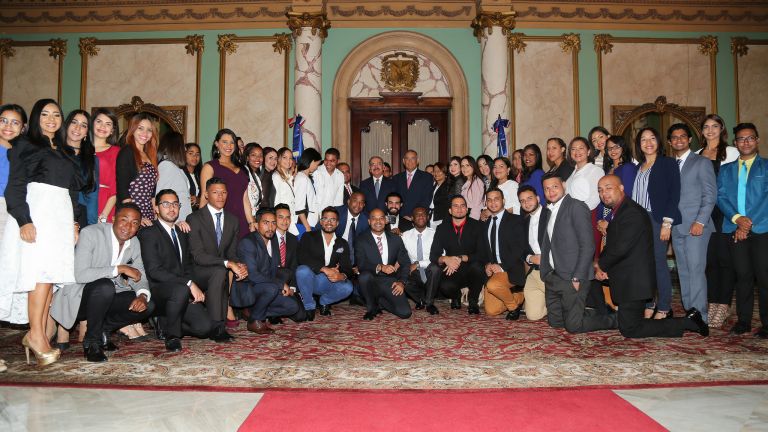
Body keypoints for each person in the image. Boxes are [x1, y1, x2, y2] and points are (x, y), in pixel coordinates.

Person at [0, 99, 83, 366]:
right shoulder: (25, 145)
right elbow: (14, 187)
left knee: (50, 278)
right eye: (45, 114)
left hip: (59, 216)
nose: (51, 119)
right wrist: (24, 220)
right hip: (38, 214)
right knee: (39, 276)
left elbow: (72, 191)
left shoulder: (62, 149)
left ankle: (38, 336)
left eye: (56, 114)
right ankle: (36, 334)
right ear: (35, 118)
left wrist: (73, 223)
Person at [595, 175, 709, 338]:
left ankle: (689, 322)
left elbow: (621, 247)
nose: (604, 193)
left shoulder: (631, 212)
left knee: (630, 329)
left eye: (608, 188)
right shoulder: (621, 210)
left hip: (635, 282)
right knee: (628, 324)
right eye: (600, 190)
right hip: (628, 279)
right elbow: (614, 244)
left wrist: (601, 265)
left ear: (621, 188)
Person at [50, 204, 155, 362]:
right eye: (124, 220)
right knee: (104, 286)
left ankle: (104, 329)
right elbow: (80, 274)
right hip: (79, 298)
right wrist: (120, 268)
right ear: (113, 219)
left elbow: (140, 276)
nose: (128, 226)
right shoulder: (90, 233)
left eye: (135, 223)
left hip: (109, 296)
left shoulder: (134, 243)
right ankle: (92, 342)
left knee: (149, 305)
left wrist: (142, 296)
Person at [539, 173, 617, 333]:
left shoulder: (576, 206)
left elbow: (588, 245)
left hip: (572, 277)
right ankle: (588, 311)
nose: (551, 191)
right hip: (553, 276)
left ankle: (615, 319)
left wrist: (577, 277)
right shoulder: (548, 211)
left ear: (563, 185)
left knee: (573, 326)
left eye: (555, 186)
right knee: (556, 322)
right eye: (546, 188)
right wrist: (546, 272)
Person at [138, 190, 212, 352]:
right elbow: (154, 271)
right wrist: (189, 284)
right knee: (180, 289)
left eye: (175, 204)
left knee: (205, 328)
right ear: (156, 208)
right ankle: (172, 335)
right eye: (166, 204)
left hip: (181, 292)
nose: (171, 208)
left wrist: (191, 285)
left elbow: (187, 266)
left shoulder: (181, 232)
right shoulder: (149, 232)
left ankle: (166, 323)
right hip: (159, 291)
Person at [717, 123, 768, 337]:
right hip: (734, 228)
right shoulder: (726, 170)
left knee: (764, 277)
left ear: (757, 140)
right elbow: (720, 197)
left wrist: (747, 224)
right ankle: (744, 321)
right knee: (743, 275)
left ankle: (767, 324)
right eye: (741, 139)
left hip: (762, 228)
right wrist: (738, 220)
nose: (745, 142)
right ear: (735, 143)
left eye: (750, 138)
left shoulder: (765, 167)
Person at [187, 177, 248, 342]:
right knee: (220, 270)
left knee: (221, 271)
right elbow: (198, 256)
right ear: (206, 195)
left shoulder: (233, 221)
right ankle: (217, 326)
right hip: (197, 271)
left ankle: (219, 325)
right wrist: (228, 263)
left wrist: (240, 265)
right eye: (215, 192)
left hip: (218, 271)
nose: (220, 196)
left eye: (223, 192)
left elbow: (232, 253)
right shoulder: (194, 219)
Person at [668, 123, 717, 323]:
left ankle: (700, 316)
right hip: (676, 227)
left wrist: (700, 221)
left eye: (683, 136)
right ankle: (690, 310)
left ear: (689, 140)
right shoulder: (669, 165)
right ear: (670, 142)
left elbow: (710, 195)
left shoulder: (701, 162)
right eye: (674, 137)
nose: (679, 140)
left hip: (697, 226)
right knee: (684, 270)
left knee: (696, 270)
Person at [631, 127, 681, 320]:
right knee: (644, 265)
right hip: (640, 221)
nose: (648, 142)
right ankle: (649, 302)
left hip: (657, 220)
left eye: (652, 138)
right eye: (643, 139)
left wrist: (667, 223)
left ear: (659, 142)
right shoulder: (638, 167)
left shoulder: (667, 163)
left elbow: (674, 194)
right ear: (639, 144)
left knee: (659, 263)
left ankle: (664, 306)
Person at [231, 207, 302, 333]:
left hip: (266, 287)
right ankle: (254, 321)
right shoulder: (248, 242)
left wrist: (284, 285)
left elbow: (275, 269)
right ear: (257, 225)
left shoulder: (273, 241)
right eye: (266, 222)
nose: (270, 227)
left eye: (273, 223)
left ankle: (253, 312)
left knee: (293, 306)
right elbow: (252, 275)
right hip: (248, 288)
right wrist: (280, 285)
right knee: (272, 288)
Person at [697, 114, 739, 328]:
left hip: (725, 212)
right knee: (709, 261)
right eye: (706, 126)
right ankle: (712, 303)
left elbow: (735, 184)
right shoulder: (696, 154)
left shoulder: (731, 152)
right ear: (702, 131)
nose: (710, 130)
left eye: (715, 126)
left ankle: (724, 304)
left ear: (722, 129)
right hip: (704, 213)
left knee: (725, 260)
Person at [425, 195, 487, 315]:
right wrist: (445, 259)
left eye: (463, 206)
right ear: (450, 210)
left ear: (467, 209)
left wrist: (462, 258)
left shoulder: (477, 226)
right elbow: (433, 255)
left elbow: (482, 254)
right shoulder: (442, 228)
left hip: (471, 266)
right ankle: (456, 297)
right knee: (445, 286)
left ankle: (473, 301)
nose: (459, 209)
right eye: (455, 206)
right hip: (452, 268)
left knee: (478, 267)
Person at [0, 103, 26, 371]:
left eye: (14, 122)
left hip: (13, 213)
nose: (8, 126)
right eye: (3, 120)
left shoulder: (19, 152)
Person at [295, 207, 354, 320]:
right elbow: (302, 258)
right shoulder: (308, 237)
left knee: (348, 287)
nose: (329, 223)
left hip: (329, 281)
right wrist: (324, 268)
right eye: (325, 219)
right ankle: (309, 306)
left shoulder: (342, 243)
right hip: (311, 279)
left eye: (332, 220)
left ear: (337, 223)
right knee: (302, 270)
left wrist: (341, 275)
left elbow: (348, 268)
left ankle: (324, 302)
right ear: (321, 222)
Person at [355, 208, 412, 320]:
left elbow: (405, 262)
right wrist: (380, 267)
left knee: (405, 313)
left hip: (389, 281)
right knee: (364, 276)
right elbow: (361, 265)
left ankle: (379, 301)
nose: (378, 221)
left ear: (386, 221)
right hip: (370, 280)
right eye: (374, 218)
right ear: (369, 221)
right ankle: (371, 309)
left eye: (381, 218)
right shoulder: (361, 239)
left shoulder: (396, 239)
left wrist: (402, 282)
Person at [482, 188, 528, 320]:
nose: (493, 203)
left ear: (503, 201)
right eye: (489, 200)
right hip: (494, 271)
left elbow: (520, 248)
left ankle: (513, 308)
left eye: (496, 199)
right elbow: (485, 251)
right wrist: (487, 264)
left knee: (493, 285)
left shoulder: (516, 220)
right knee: (492, 310)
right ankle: (518, 296)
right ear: (486, 203)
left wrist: (502, 266)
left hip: (511, 268)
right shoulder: (486, 224)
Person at [199, 129, 250, 239]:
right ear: (217, 144)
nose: (229, 146)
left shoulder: (241, 169)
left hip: (242, 222)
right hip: (220, 222)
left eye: (232, 142)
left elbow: (245, 199)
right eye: (224, 142)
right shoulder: (210, 167)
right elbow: (204, 196)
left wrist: (251, 222)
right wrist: (201, 223)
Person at [116, 113, 159, 225]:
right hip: (132, 214)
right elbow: (122, 189)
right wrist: (135, 216)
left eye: (149, 130)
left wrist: (155, 212)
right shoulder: (127, 152)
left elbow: (152, 192)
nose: (145, 133)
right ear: (133, 130)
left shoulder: (150, 155)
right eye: (140, 128)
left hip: (149, 213)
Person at [64, 110, 99, 227]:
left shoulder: (92, 160)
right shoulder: (54, 153)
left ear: (86, 133)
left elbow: (93, 195)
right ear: (67, 125)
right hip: (56, 209)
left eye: (83, 125)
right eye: (74, 122)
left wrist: (92, 225)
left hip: (81, 214)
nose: (77, 128)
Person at [519, 185, 548, 321]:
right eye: (522, 201)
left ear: (537, 198)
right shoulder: (524, 222)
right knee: (533, 316)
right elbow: (523, 250)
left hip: (553, 272)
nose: (526, 203)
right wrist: (531, 258)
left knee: (560, 316)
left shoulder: (551, 215)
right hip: (535, 272)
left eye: (529, 198)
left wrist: (547, 258)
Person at [402, 207, 435, 309]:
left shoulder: (435, 234)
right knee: (401, 275)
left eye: (423, 214)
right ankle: (420, 300)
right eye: (417, 214)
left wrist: (418, 264)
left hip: (431, 271)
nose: (421, 216)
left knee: (435, 268)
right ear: (412, 218)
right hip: (414, 273)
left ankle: (429, 304)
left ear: (428, 217)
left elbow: (439, 256)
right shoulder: (405, 236)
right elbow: (401, 256)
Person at [91, 109, 121, 223]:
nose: (102, 126)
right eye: (99, 121)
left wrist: (104, 215)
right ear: (92, 124)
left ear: (112, 130)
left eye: (108, 124)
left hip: (105, 204)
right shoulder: (82, 149)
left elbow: (116, 187)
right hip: (82, 203)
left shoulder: (116, 152)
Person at [156, 131, 193, 221]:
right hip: (175, 221)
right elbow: (162, 198)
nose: (185, 149)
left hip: (181, 220)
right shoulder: (167, 166)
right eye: (183, 145)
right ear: (175, 147)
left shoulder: (175, 166)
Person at [565, 136, 603, 210]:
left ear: (588, 151)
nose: (577, 152)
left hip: (584, 214)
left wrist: (579, 212)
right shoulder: (573, 171)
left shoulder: (595, 171)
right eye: (573, 149)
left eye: (581, 148)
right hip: (571, 213)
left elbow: (595, 198)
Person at [394, 149, 434, 219]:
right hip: (400, 218)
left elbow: (426, 199)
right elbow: (395, 199)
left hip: (419, 218)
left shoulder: (427, 177)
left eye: (413, 158)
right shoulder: (396, 178)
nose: (409, 161)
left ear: (417, 161)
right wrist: (402, 215)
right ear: (403, 161)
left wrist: (413, 215)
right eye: (407, 158)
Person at [333, 191, 368, 265]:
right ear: (348, 202)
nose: (358, 205)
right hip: (333, 249)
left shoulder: (366, 220)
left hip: (354, 255)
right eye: (355, 201)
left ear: (364, 205)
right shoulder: (336, 213)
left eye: (361, 202)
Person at [293, 148, 323, 236]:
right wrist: (307, 227)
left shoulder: (306, 177)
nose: (317, 167)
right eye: (317, 164)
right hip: (303, 224)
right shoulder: (302, 178)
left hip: (309, 223)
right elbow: (299, 206)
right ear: (312, 161)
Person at [272, 147, 299, 235]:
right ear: (279, 159)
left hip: (291, 218)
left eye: (290, 158)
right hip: (282, 219)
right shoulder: (276, 176)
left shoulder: (288, 176)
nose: (288, 160)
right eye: (285, 157)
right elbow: (276, 201)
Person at [243, 142, 264, 224]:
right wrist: (251, 221)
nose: (258, 158)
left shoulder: (256, 175)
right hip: (246, 218)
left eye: (260, 155)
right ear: (247, 157)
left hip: (254, 218)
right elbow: (244, 201)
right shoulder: (243, 172)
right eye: (253, 155)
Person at [460, 156, 485, 220]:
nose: (464, 168)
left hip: (474, 216)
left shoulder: (477, 182)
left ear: (473, 166)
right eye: (462, 166)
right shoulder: (468, 182)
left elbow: (476, 206)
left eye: (467, 165)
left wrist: (472, 223)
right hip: (467, 214)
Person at [429, 161, 452, 227]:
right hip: (432, 217)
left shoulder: (448, 186)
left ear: (445, 172)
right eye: (434, 171)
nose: (436, 173)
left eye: (439, 171)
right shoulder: (434, 186)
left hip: (442, 218)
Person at [184, 143, 202, 210]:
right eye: (191, 153)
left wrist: (198, 200)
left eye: (197, 154)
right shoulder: (180, 173)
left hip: (197, 213)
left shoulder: (201, 175)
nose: (195, 157)